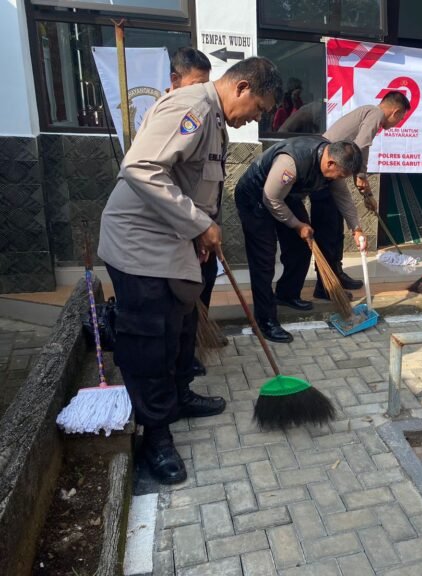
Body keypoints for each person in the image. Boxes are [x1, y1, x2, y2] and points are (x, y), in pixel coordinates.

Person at [98, 57, 281, 484]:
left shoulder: (215, 117)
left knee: (180, 330)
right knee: (150, 343)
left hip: (173, 242)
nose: (256, 117)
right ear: (241, 88)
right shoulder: (193, 107)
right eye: (259, 107)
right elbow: (141, 167)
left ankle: (177, 398)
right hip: (140, 246)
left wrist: (198, 229)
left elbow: (191, 184)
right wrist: (200, 224)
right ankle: (155, 437)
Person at [235, 137, 365, 343]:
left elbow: (343, 197)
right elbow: (271, 199)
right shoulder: (292, 162)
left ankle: (287, 294)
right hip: (257, 197)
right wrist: (297, 224)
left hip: (285, 197)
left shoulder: (334, 164)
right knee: (264, 259)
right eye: (340, 175)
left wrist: (356, 228)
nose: (338, 179)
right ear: (331, 163)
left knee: (302, 245)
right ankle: (266, 320)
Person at [311, 91, 411, 300]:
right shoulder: (375, 114)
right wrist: (362, 179)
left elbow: (358, 148)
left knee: (337, 230)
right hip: (323, 173)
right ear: (396, 111)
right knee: (328, 232)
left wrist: (364, 187)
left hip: (332, 171)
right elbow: (360, 146)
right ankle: (325, 286)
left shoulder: (368, 113)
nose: (398, 122)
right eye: (400, 118)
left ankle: (336, 274)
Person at [168, 47, 220, 378]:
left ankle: (193, 348)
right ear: (175, 80)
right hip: (177, 228)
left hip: (201, 223)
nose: (202, 91)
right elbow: (161, 182)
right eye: (196, 83)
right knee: (181, 299)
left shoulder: (206, 115)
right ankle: (181, 360)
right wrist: (197, 226)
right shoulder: (172, 116)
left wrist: (208, 226)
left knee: (207, 280)